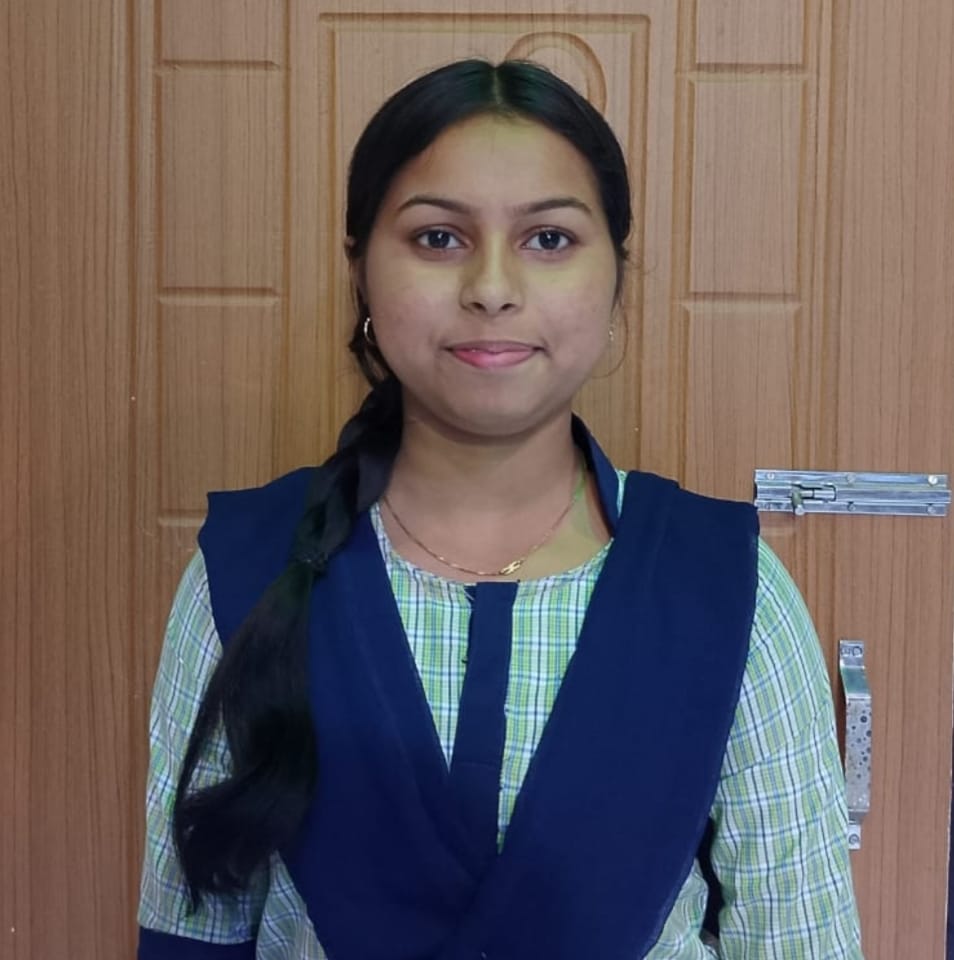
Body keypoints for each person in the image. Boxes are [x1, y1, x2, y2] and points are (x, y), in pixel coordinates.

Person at [137, 59, 864, 959]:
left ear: (616, 275)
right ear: (361, 271)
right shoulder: (243, 572)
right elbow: (191, 928)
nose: (491, 286)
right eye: (438, 238)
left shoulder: (727, 588)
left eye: (549, 239)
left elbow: (798, 936)